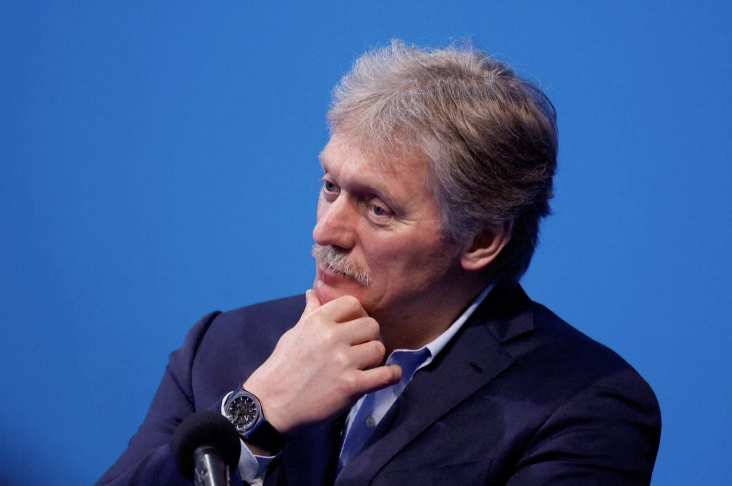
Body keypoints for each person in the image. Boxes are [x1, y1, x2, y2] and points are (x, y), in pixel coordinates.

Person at [96, 40, 661, 486]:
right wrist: (255, 419)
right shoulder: (224, 347)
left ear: (481, 239)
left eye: (378, 209)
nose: (326, 231)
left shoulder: (584, 403)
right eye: (329, 186)